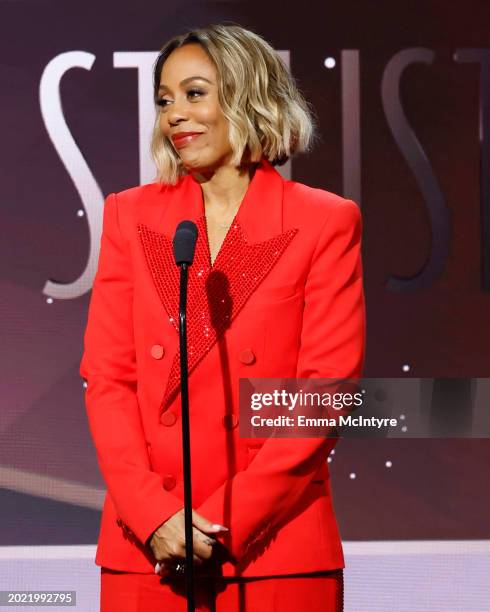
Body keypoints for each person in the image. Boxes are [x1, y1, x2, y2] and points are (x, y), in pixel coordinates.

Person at [79, 22, 365, 612]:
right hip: (146, 547)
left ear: (247, 96)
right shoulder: (129, 216)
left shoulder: (324, 221)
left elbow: (325, 392)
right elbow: (110, 380)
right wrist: (155, 514)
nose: (174, 115)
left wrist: (227, 519)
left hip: (275, 550)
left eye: (194, 93)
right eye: (164, 100)